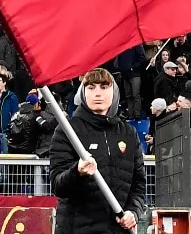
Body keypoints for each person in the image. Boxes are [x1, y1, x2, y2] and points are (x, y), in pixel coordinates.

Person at [49, 68, 146, 233]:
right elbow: (58, 185)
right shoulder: (68, 130)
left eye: (104, 87)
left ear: (114, 91)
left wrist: (133, 213)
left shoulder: (128, 133)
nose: (98, 93)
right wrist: (77, 171)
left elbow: (138, 186)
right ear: (83, 92)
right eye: (91, 87)